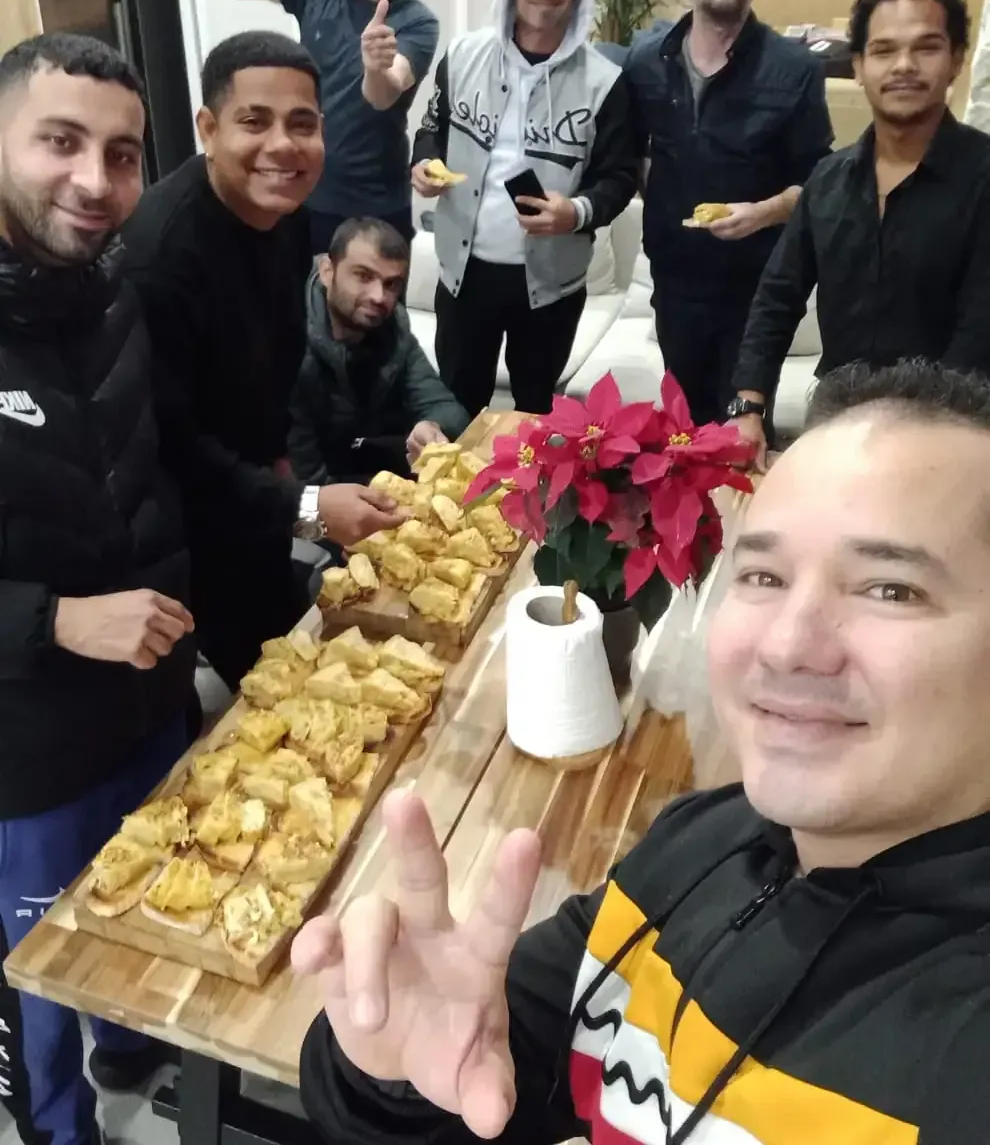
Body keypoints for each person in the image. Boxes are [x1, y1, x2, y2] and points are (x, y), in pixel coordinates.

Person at [293, 357, 990, 1143]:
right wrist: (389, 1079)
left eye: (889, 589)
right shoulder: (703, 845)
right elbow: (483, 1075)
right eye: (762, 575)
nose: (789, 645)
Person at [0, 33, 198, 1145]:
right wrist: (58, 620)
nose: (96, 180)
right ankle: (57, 1125)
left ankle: (137, 1047)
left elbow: (164, 463)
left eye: (122, 156)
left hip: (153, 700)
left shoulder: (113, 290)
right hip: (27, 751)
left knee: (153, 909)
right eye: (60, 142)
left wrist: (308, 506)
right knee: (40, 980)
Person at [121, 32, 402, 692]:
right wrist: (303, 503)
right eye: (256, 121)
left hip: (252, 492)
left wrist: (283, 470)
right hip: (179, 525)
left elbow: (274, 352)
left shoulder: (287, 214)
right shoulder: (159, 257)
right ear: (209, 129)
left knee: (299, 649)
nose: (283, 146)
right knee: (276, 696)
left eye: (302, 124)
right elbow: (168, 448)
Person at [731, 0, 990, 468]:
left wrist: (915, 446)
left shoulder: (983, 178)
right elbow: (777, 299)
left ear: (956, 59)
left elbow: (979, 335)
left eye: (927, 47)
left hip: (951, 439)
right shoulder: (828, 181)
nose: (904, 66)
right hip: (837, 425)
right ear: (858, 65)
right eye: (885, 50)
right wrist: (748, 405)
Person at [411, 0, 637, 417]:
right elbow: (432, 128)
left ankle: (529, 497)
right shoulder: (463, 56)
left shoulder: (606, 83)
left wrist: (576, 213)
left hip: (550, 284)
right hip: (464, 275)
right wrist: (423, 163)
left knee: (536, 414)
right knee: (455, 407)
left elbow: (620, 178)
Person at [624, 0, 834, 428]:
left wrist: (764, 212)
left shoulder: (797, 70)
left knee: (740, 437)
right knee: (684, 430)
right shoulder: (646, 62)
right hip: (674, 284)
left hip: (757, 294)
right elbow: (626, 155)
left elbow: (822, 183)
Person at [213, 0, 439, 254]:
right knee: (300, 305)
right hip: (300, 188)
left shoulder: (418, 22)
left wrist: (375, 66)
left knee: (372, 309)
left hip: (375, 204)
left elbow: (384, 95)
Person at [289, 217, 469, 485]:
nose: (379, 296)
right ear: (328, 271)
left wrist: (431, 428)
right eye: (363, 276)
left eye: (391, 283)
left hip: (361, 459)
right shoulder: (286, 346)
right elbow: (305, 481)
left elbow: (449, 411)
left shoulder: (392, 329)